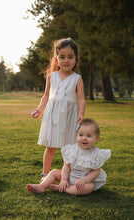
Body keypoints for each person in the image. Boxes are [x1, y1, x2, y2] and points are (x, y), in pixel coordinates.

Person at [31, 38, 85, 181]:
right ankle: (45, 174)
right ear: (56, 58)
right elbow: (46, 95)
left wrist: (81, 113)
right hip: (53, 115)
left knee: (69, 149)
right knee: (51, 146)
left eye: (70, 57)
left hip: (69, 116)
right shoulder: (51, 76)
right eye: (62, 57)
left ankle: (66, 176)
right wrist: (39, 109)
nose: (66, 60)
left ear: (76, 58)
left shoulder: (77, 78)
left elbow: (81, 98)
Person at [27, 119, 111, 195]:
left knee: (89, 187)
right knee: (54, 172)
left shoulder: (97, 154)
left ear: (97, 138)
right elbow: (66, 166)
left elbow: (95, 172)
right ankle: (42, 186)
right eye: (81, 135)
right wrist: (64, 179)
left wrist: (84, 180)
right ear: (76, 135)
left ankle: (66, 189)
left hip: (83, 182)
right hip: (69, 177)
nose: (84, 138)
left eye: (89, 136)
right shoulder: (71, 150)